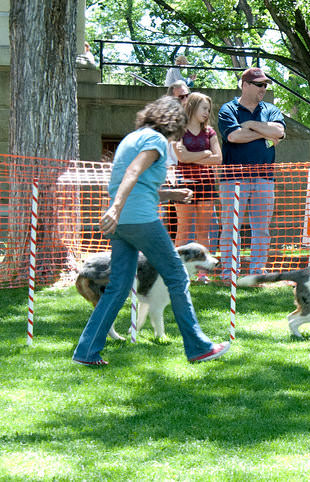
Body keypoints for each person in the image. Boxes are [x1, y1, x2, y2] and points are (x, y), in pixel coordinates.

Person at [72, 96, 230, 366]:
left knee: (118, 287)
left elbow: (139, 183)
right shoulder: (155, 140)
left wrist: (170, 194)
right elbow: (133, 173)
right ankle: (198, 347)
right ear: (173, 123)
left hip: (122, 225)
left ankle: (86, 352)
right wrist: (116, 208)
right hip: (139, 220)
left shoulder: (130, 139)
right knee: (178, 277)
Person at [217, 67, 285, 277]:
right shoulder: (228, 109)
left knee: (261, 229)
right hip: (233, 179)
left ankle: (257, 271)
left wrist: (252, 125)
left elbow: (280, 132)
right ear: (244, 85)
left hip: (264, 178)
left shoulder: (271, 110)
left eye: (265, 85)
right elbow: (234, 137)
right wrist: (264, 132)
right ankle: (228, 272)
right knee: (231, 226)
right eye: (259, 85)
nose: (263, 88)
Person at [172, 92, 221, 257]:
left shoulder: (210, 132)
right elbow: (181, 157)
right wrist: (205, 153)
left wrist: (192, 158)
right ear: (192, 106)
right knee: (184, 229)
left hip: (206, 184)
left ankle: (202, 271)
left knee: (203, 230)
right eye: (204, 108)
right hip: (183, 184)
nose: (207, 112)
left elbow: (218, 159)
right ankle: (177, 268)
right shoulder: (179, 130)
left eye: (209, 109)